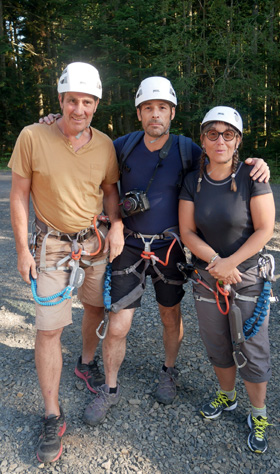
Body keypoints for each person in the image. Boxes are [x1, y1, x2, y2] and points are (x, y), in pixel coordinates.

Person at [80, 79, 270, 427]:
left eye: (162, 108)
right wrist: (54, 123)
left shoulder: (188, 150)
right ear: (138, 113)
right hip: (130, 244)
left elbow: (223, 158)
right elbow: (82, 142)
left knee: (170, 315)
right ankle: (108, 388)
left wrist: (256, 164)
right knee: (119, 323)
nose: (156, 114)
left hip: (171, 247)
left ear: (172, 112)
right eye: (149, 108)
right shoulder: (120, 146)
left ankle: (169, 371)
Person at [9, 61, 124, 463]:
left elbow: (111, 191)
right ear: (59, 101)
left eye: (87, 101)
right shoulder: (33, 136)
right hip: (53, 247)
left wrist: (117, 225)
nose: (79, 108)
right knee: (49, 329)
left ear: (96, 105)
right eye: (72, 100)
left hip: (93, 243)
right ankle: (51, 414)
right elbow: (19, 195)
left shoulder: (105, 145)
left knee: (95, 306)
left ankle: (86, 362)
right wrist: (23, 249)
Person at [178, 106, 275, 454]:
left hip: (247, 276)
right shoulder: (194, 180)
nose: (220, 140)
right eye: (212, 133)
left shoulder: (253, 176)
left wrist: (230, 263)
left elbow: (265, 229)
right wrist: (217, 262)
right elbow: (187, 231)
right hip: (208, 277)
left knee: (253, 347)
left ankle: (259, 414)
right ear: (202, 139)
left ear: (238, 141)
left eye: (228, 134)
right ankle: (227, 397)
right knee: (217, 343)